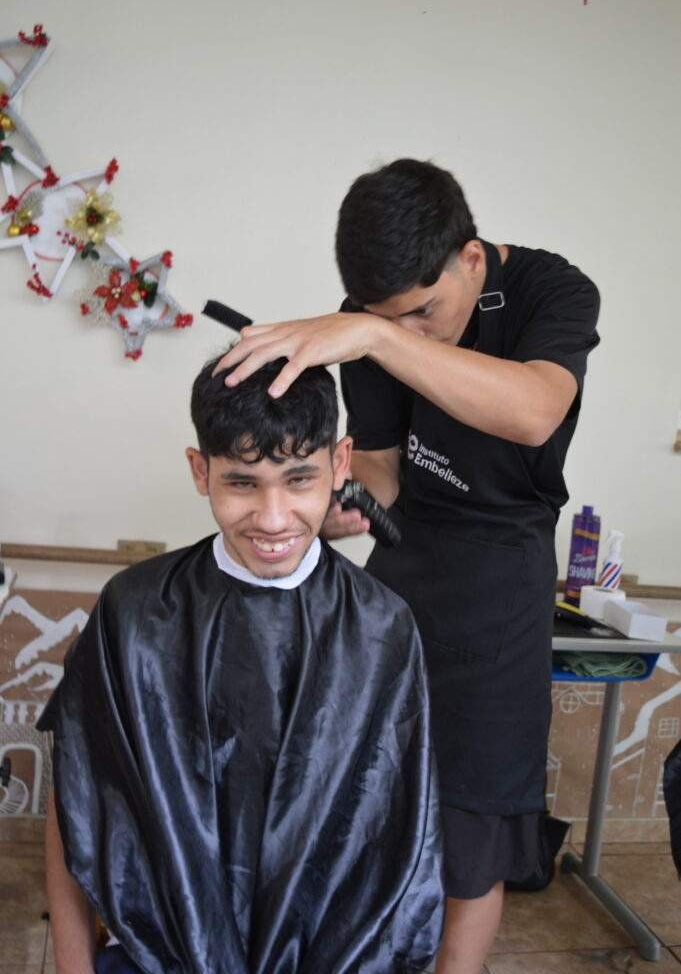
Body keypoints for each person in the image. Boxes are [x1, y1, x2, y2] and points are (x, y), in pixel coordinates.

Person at [215, 158, 601, 974]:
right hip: (404, 563)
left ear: (470, 258)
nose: (412, 332)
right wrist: (335, 507)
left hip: (502, 577)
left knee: (472, 826)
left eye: (425, 311)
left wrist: (374, 335)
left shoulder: (551, 290)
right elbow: (385, 469)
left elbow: (534, 411)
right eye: (390, 319)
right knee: (366, 794)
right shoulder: (373, 325)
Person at [39, 356, 444, 974]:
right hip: (161, 955)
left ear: (341, 464)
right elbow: (75, 802)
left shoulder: (383, 627)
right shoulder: (135, 612)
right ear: (200, 470)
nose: (273, 518)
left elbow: (402, 842)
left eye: (299, 479)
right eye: (242, 483)